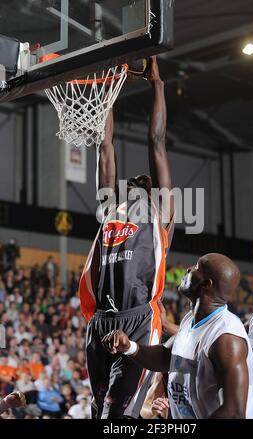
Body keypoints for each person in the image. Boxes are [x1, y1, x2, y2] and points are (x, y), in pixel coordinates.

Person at [79, 57, 174, 419]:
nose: (134, 184)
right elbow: (105, 147)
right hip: (101, 319)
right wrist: (108, 91)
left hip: (137, 319)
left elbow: (157, 141)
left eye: (142, 183)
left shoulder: (160, 214)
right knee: (97, 410)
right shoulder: (109, 209)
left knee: (115, 416)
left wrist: (158, 85)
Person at [102, 253, 253, 419]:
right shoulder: (191, 318)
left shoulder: (227, 338)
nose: (189, 269)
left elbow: (234, 412)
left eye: (197, 268)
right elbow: (166, 356)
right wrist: (129, 347)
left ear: (206, 284)